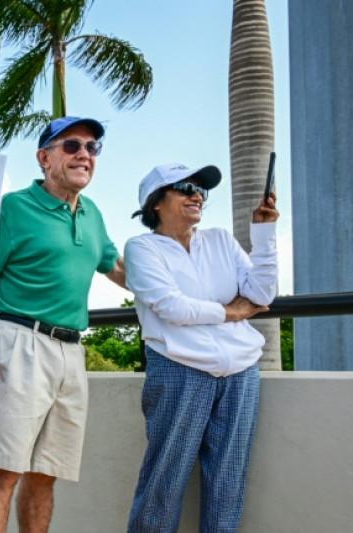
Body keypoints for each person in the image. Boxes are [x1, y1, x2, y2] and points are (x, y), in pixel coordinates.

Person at [0, 116, 126, 533]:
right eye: (72, 146)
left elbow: (117, 268)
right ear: (43, 157)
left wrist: (187, 289)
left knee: (45, 473)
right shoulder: (14, 208)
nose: (84, 154)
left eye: (91, 147)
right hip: (18, 342)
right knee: (4, 471)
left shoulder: (92, 214)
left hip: (71, 352)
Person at [124, 163, 278, 532]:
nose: (196, 194)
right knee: (164, 479)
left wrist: (264, 232)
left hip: (241, 372)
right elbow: (172, 307)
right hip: (179, 368)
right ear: (155, 203)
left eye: (200, 189)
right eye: (184, 187)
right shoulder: (141, 249)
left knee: (228, 482)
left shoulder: (221, 240)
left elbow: (261, 294)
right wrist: (232, 311)